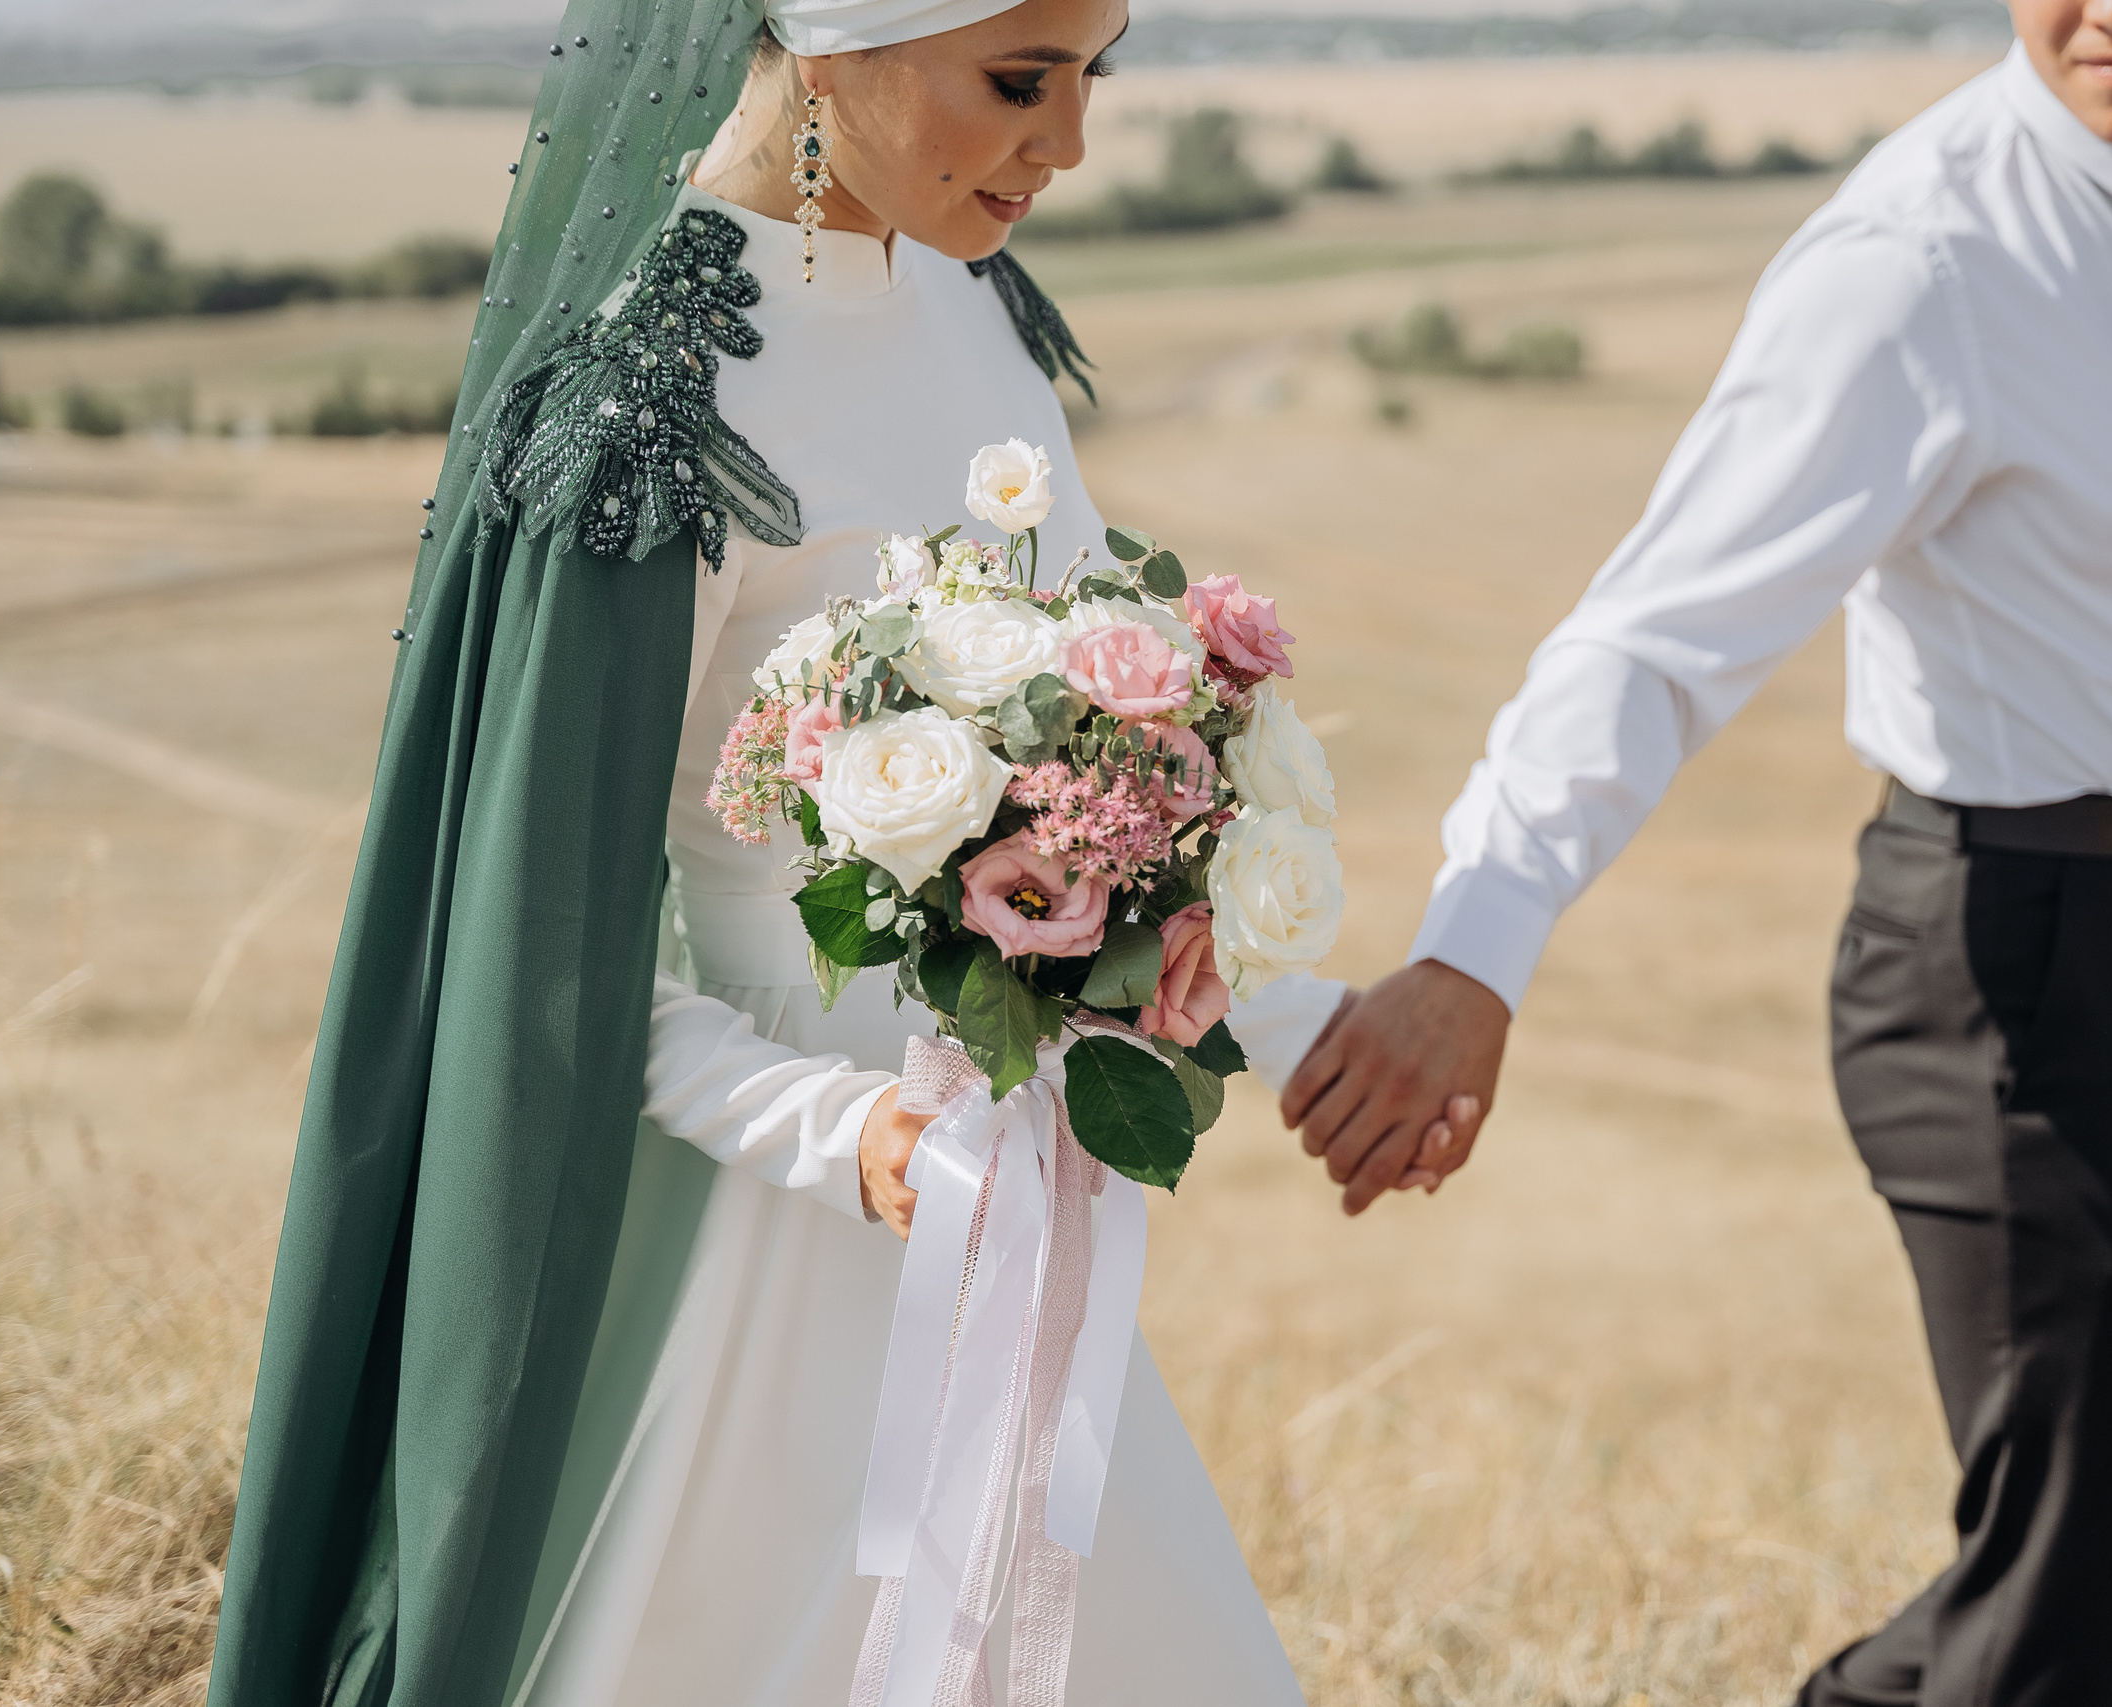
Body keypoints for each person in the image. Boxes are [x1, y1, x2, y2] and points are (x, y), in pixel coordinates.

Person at [206, 1, 1444, 1702]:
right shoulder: (656, 397)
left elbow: (1097, 820)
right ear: (834, 43)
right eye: (1020, 81)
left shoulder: (974, 301)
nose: (1068, 145)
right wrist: (840, 1126)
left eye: (1097, 75)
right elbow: (544, 952)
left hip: (1007, 1206)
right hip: (769, 1219)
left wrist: (1307, 1029)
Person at [1286, 0, 2112, 1700]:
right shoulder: (1920, 258)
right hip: (2013, 965)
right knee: (2063, 1585)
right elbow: (1657, 635)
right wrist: (1476, 940)